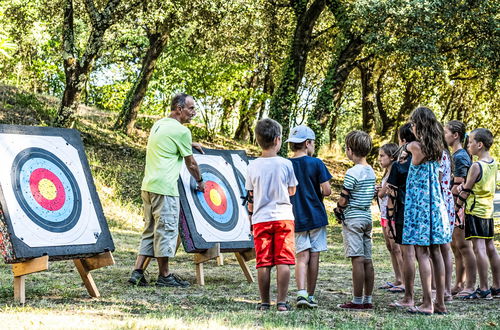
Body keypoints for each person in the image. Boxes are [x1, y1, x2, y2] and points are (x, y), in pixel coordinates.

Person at [128, 93, 205, 288]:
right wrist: (200, 180)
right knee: (166, 231)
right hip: (165, 189)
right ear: (179, 109)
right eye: (191, 108)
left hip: (148, 186)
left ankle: (137, 272)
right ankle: (165, 276)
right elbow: (192, 164)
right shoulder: (181, 132)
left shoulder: (160, 124)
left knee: (150, 231)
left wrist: (190, 144)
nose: (194, 113)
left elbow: (168, 144)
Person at [245, 118, 298, 312]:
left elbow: (250, 195)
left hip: (261, 219)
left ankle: (265, 302)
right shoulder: (285, 164)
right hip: (283, 217)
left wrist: (251, 216)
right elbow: (292, 190)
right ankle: (282, 302)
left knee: (263, 262)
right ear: (277, 140)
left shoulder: (252, 166)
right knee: (283, 261)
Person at [403, 107, 451, 315]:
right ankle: (439, 301)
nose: (411, 126)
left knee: (421, 253)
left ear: (418, 125)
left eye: (413, 123)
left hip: (419, 205)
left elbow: (405, 156)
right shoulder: (438, 148)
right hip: (435, 204)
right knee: (437, 252)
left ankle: (426, 303)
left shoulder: (414, 146)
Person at [286, 125, 332, 309]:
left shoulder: (287, 164)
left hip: (296, 216)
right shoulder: (317, 163)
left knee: (301, 256)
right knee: (314, 255)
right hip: (316, 216)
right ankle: (311, 295)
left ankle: (301, 293)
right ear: (307, 143)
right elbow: (327, 191)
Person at [455, 128, 500, 299]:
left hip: (475, 210)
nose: (469, 144)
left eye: (471, 141)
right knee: (490, 247)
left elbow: (466, 191)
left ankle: (483, 288)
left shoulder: (476, 165)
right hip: (488, 211)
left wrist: (457, 206)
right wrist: (465, 186)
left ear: (479, 145)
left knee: (479, 248)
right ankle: (497, 286)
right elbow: (475, 184)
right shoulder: (493, 162)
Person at [334, 130, 376, 310]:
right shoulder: (371, 171)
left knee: (356, 260)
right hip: (367, 217)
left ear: (350, 150)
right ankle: (368, 298)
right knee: (368, 259)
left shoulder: (352, 172)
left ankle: (357, 300)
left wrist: (338, 209)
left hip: (353, 218)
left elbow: (344, 197)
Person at [444, 120, 476, 298]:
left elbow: (462, 184)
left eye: (446, 132)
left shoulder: (460, 156)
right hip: (452, 207)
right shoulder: (453, 155)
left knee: (464, 246)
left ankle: (470, 284)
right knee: (455, 246)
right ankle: (459, 283)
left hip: (460, 207)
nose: (444, 135)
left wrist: (456, 205)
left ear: (455, 135)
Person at [386, 124, 417, 307]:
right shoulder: (427, 161)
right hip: (422, 211)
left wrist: (389, 218)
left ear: (404, 141)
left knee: (407, 254)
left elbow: (391, 194)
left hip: (403, 211)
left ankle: (408, 295)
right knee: (424, 254)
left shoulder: (400, 166)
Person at [376, 143, 404, 292]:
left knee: (396, 248)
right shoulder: (386, 172)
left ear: (392, 157)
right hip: (383, 214)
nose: (379, 159)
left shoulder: (394, 171)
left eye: (382, 156)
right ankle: (398, 278)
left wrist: (379, 190)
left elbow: (382, 193)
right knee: (390, 247)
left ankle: (404, 280)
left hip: (392, 213)